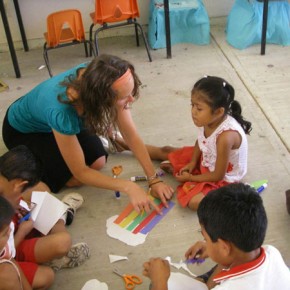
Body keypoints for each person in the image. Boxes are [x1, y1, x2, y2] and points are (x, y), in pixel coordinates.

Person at [2, 54, 174, 214]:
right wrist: (128, 186)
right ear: (100, 99)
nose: (131, 100)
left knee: (98, 162)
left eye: (131, 92)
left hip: (60, 119)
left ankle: (112, 137)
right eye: (125, 97)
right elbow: (81, 172)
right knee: (72, 180)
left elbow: (131, 133)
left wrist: (154, 179)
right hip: (25, 131)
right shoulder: (62, 113)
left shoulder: (101, 74)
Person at [143, 183, 290, 290]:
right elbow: (230, 257)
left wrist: (160, 281)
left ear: (225, 247)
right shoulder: (271, 252)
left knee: (159, 285)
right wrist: (212, 247)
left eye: (206, 238)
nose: (204, 242)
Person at [146, 75, 252, 210]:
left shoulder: (226, 137)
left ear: (219, 112)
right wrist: (192, 162)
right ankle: (123, 144)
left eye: (199, 108)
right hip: (209, 158)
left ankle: (194, 179)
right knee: (166, 150)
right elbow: (201, 141)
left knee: (194, 202)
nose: (193, 112)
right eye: (192, 105)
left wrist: (191, 177)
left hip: (223, 177)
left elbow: (218, 175)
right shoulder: (210, 119)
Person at [0, 146, 89, 289]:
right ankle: (63, 215)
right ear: (19, 185)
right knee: (52, 263)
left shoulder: (8, 188)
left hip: (16, 233)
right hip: (11, 249)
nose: (21, 198)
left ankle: (61, 213)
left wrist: (20, 205)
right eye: (20, 193)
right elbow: (8, 257)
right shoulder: (6, 268)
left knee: (41, 189)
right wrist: (22, 231)